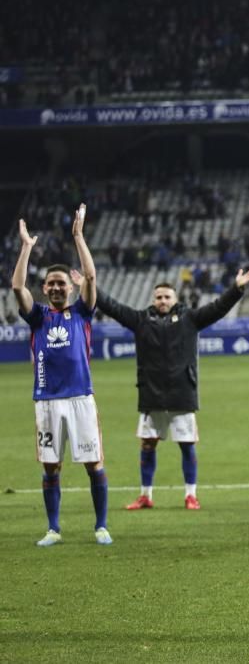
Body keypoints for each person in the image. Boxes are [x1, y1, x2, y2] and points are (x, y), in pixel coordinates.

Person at [76, 266, 249, 511]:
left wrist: (237, 288)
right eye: (159, 297)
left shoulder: (190, 319)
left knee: (186, 445)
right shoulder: (140, 321)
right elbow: (111, 306)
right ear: (153, 299)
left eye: (167, 297)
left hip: (182, 394)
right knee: (148, 445)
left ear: (175, 299)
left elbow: (218, 308)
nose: (162, 301)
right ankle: (145, 495)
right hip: (152, 395)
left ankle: (190, 495)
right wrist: (89, 287)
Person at [12, 206, 112, 546]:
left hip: (81, 398)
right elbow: (16, 287)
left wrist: (78, 237)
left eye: (62, 283)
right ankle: (53, 529)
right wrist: (26, 247)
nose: (56, 288)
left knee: (93, 464)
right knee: (51, 468)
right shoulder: (38, 317)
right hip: (47, 402)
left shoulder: (82, 312)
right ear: (44, 288)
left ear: (71, 287)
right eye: (51, 284)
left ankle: (101, 526)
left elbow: (93, 277)